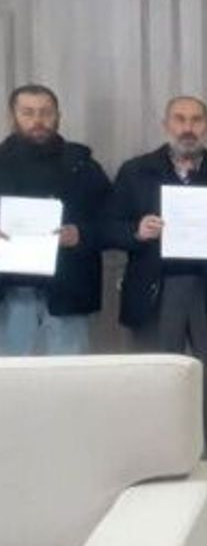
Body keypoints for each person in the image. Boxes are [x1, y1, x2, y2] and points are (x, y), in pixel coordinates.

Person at [105, 95, 207, 492]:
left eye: (196, 120)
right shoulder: (136, 171)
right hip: (157, 287)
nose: (188, 128)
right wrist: (136, 231)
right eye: (180, 119)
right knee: (156, 379)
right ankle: (154, 464)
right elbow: (107, 228)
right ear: (166, 124)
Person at [0, 84, 111, 355]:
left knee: (68, 375)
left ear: (58, 116)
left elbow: (114, 224)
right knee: (10, 375)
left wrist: (81, 235)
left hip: (68, 292)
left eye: (46, 112)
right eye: (28, 113)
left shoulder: (84, 165)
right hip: (8, 293)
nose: (38, 120)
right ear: (12, 116)